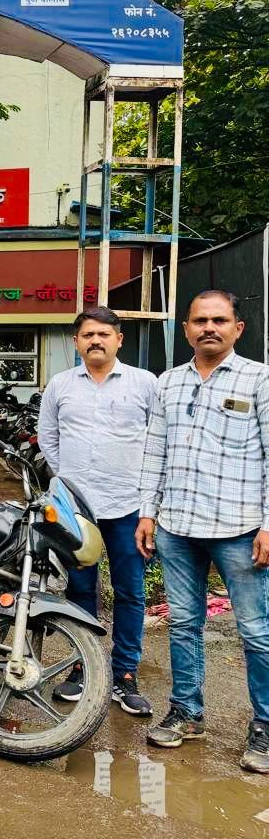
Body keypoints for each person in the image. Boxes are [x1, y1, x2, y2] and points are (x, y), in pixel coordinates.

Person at [137, 289, 269, 773]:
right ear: (187, 329)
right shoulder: (168, 382)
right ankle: (187, 713)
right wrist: (147, 513)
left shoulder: (259, 379)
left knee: (257, 631)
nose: (209, 327)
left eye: (219, 320)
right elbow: (154, 451)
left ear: (238, 328)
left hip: (239, 527)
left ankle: (266, 726)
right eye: (199, 320)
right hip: (177, 526)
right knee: (183, 624)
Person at [38, 307, 156, 717]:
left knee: (130, 592)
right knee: (79, 591)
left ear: (119, 339)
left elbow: (156, 443)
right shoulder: (60, 384)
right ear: (76, 341)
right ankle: (81, 666)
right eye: (88, 334)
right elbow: (47, 438)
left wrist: (150, 506)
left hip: (128, 506)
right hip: (76, 511)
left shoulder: (145, 383)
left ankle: (125, 674)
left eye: (104, 334)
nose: (96, 341)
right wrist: (69, 480)